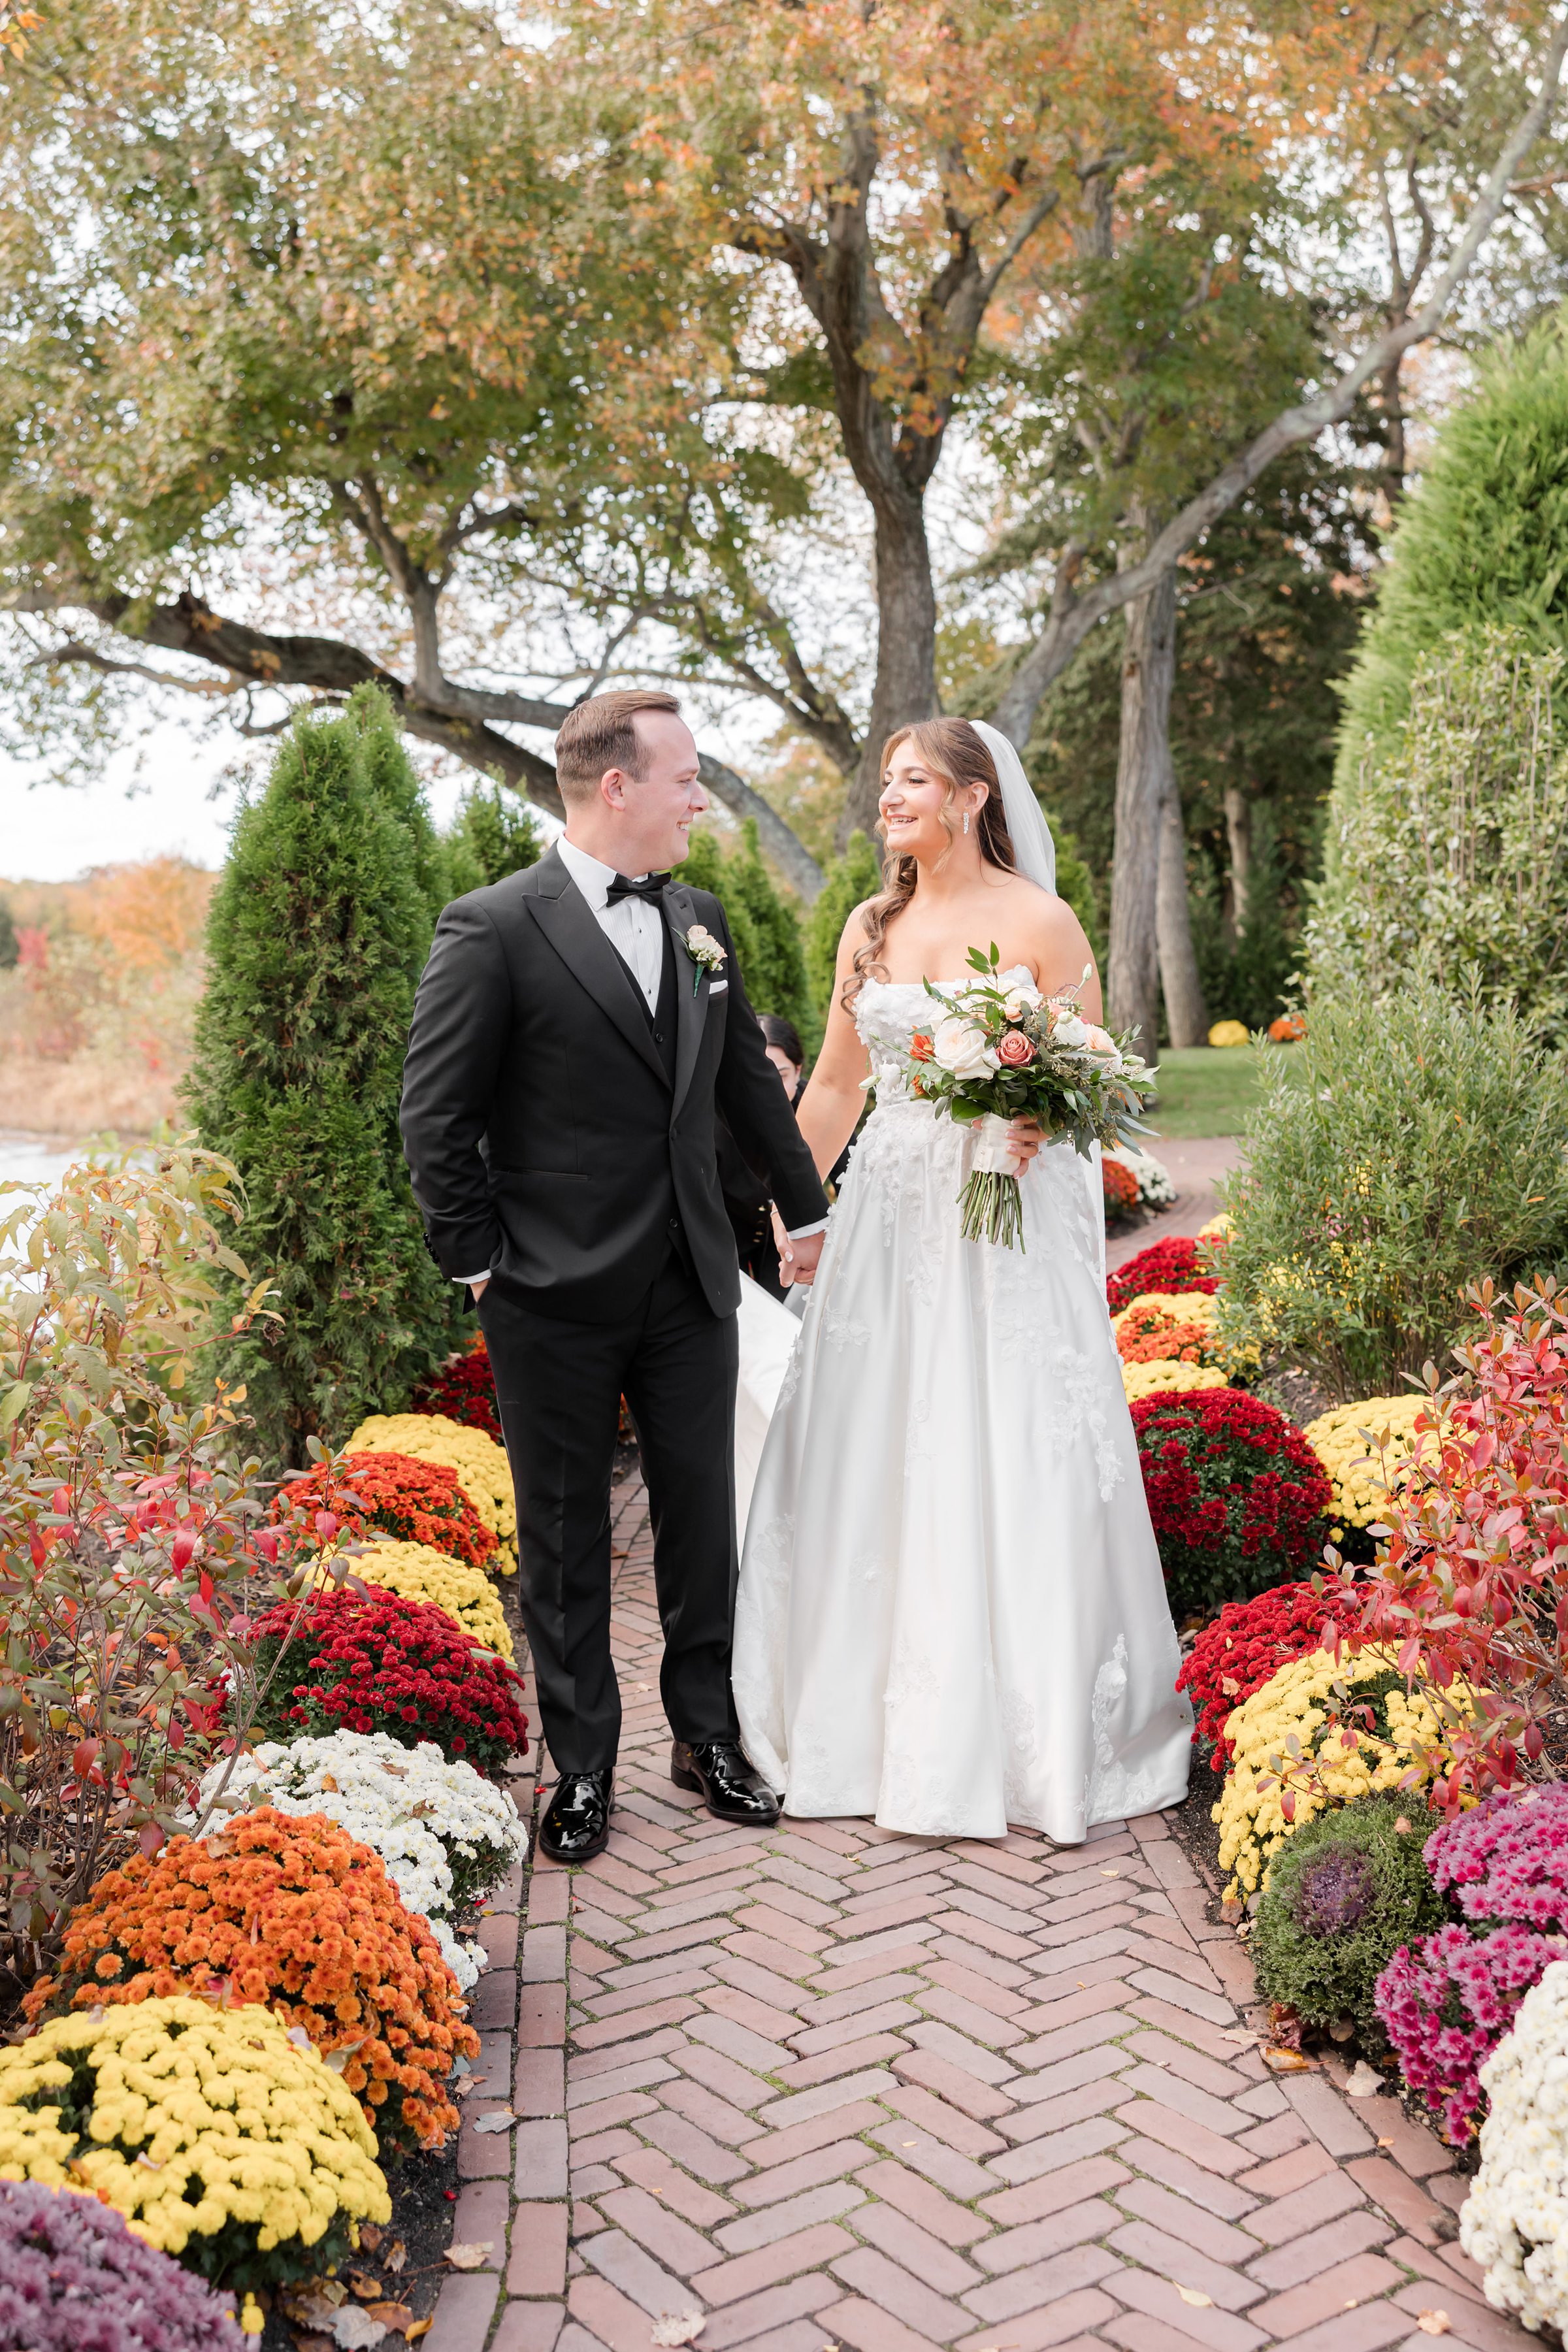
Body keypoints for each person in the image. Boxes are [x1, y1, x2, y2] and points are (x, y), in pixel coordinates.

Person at [732, 716, 1192, 1842]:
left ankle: (1026, 1728)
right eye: (885, 783)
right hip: (893, 1218)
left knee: (1005, 1432)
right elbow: (839, 1086)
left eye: (913, 781)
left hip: (1004, 1227)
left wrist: (1039, 1113)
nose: (888, 799)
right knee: (878, 1436)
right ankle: (865, 1719)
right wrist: (792, 1205)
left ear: (974, 798)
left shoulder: (1039, 920)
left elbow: (1091, 1079)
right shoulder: (870, 926)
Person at [400, 689, 829, 1864]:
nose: (702, 796)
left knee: (704, 1522)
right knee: (563, 1534)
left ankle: (709, 1738)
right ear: (616, 787)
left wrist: (806, 1208)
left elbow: (747, 1085)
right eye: (686, 777)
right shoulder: (491, 927)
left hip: (695, 1276)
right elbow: (436, 1120)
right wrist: (482, 1265)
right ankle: (583, 1766)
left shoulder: (699, 917)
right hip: (548, 1294)